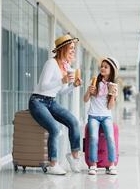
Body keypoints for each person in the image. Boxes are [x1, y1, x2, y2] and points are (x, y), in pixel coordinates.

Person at [28, 34, 82, 175]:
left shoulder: (66, 66)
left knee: (73, 121)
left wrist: (73, 85)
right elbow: (43, 86)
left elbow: (62, 92)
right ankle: (53, 164)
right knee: (55, 128)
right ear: (62, 49)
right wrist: (62, 80)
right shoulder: (50, 63)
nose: (73, 51)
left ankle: (74, 157)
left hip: (51, 101)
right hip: (37, 101)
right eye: (71, 48)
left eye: (74, 48)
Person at [83, 57, 119, 175]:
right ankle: (93, 165)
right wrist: (89, 91)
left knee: (110, 137)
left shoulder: (113, 86)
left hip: (106, 116)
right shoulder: (95, 82)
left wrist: (113, 95)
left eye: (105, 67)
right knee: (93, 137)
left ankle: (111, 164)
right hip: (93, 115)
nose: (102, 68)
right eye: (102, 66)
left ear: (111, 70)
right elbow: (85, 100)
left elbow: (109, 107)